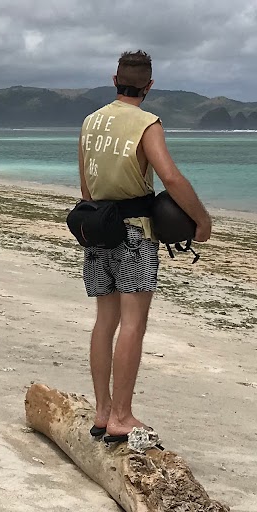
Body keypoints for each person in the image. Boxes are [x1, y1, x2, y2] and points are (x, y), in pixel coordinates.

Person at [77, 50, 211, 444]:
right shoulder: (147, 123)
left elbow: (86, 187)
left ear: (113, 78)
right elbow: (170, 177)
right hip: (134, 233)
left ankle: (102, 412)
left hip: (97, 228)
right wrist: (201, 220)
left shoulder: (90, 121)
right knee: (133, 323)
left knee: (105, 321)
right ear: (149, 85)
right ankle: (121, 417)